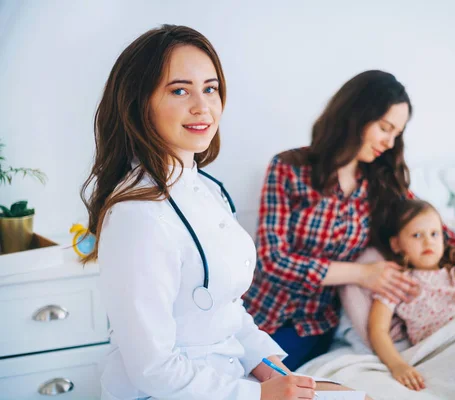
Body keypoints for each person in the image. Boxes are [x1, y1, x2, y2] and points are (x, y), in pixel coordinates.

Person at [81, 24, 359, 400]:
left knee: (354, 395)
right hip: (168, 392)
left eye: (210, 88)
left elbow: (227, 311)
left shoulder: (208, 190)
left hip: (226, 378)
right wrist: (260, 395)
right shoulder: (136, 215)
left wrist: (275, 373)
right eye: (180, 90)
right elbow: (152, 368)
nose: (203, 106)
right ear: (138, 102)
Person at [243, 70, 455, 371]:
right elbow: (271, 260)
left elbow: (433, 227)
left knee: (267, 382)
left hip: (314, 325)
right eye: (385, 128)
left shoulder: (380, 182)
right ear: (357, 115)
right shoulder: (288, 167)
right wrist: (362, 274)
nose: (390, 142)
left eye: (397, 133)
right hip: (258, 310)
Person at [367, 199, 455, 391]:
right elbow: (377, 330)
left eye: (435, 234)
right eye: (417, 235)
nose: (428, 241)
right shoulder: (399, 282)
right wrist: (397, 365)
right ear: (396, 244)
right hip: (446, 347)